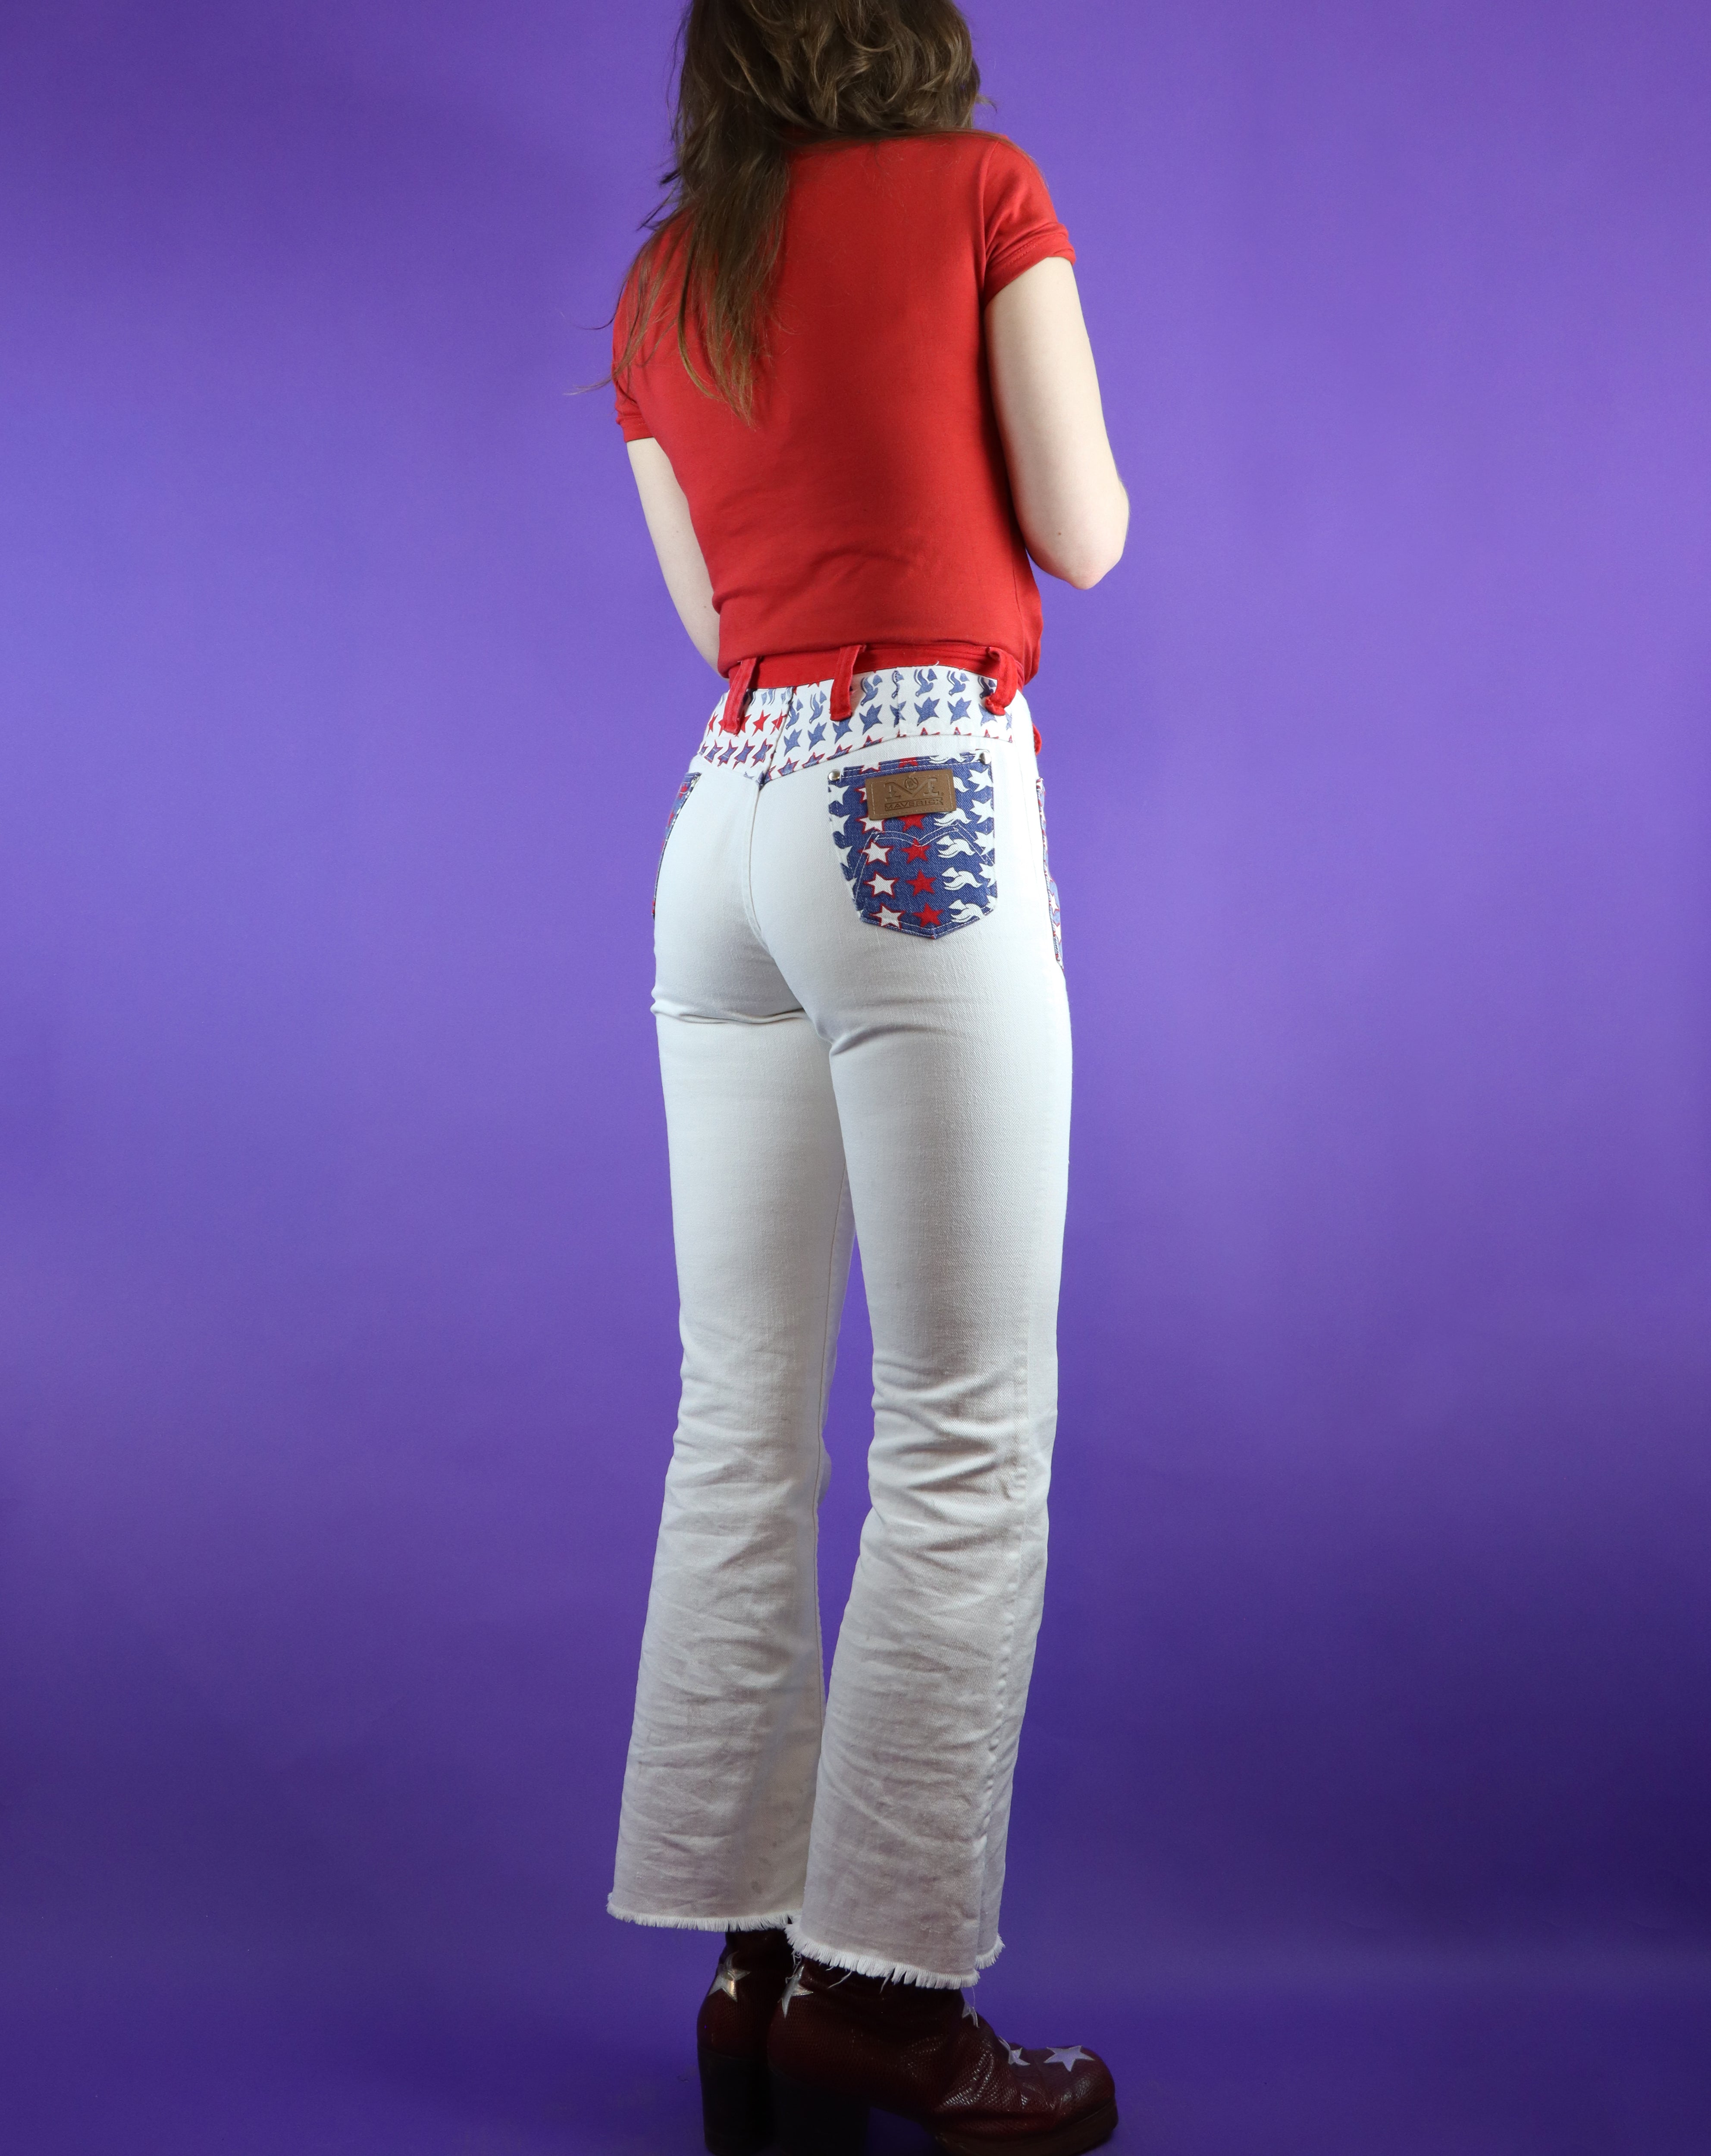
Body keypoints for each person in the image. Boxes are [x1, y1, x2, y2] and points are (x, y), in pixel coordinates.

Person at [605, 3, 1127, 2150]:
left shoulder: (666, 280)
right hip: (916, 797)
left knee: (740, 1419)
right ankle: (886, 2000)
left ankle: (749, 1980)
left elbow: (711, 614)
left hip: (720, 827)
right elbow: (1082, 530)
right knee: (964, 1425)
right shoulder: (983, 194)